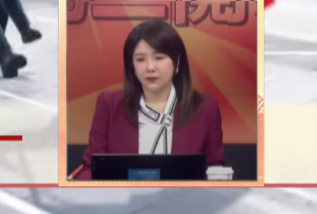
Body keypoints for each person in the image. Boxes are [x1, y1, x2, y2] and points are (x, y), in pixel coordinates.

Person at [73, 19, 225, 180]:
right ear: (132, 66)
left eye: (159, 58)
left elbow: (214, 169)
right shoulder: (109, 104)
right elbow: (91, 169)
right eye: (140, 59)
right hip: (123, 196)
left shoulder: (206, 108)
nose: (150, 67)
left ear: (177, 62)